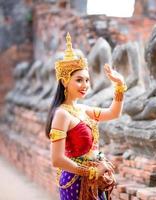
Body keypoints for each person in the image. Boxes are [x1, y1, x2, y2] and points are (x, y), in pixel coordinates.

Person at [45, 33, 126, 200]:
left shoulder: (83, 109)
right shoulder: (61, 114)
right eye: (79, 80)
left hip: (95, 181)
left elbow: (113, 113)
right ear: (64, 81)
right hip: (75, 182)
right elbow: (57, 159)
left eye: (87, 80)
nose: (85, 85)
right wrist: (91, 171)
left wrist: (119, 86)